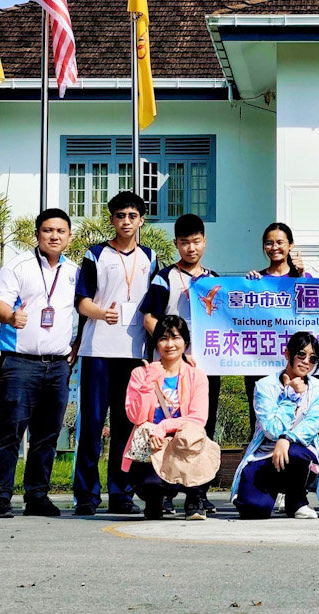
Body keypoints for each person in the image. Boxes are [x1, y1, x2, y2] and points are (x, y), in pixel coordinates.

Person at [0, 208, 79, 518]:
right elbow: (0, 303)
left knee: (47, 434)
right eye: (47, 230)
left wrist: (76, 347)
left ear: (69, 236)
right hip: (20, 363)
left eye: (60, 231)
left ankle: (37, 496)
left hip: (58, 365)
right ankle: (0, 497)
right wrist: (11, 316)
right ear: (37, 234)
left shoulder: (74, 272)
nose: (54, 236)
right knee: (10, 430)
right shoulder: (18, 267)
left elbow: (80, 311)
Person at [73, 191, 158, 516]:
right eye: (120, 216)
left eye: (132, 216)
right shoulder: (96, 254)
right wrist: (100, 313)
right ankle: (86, 496)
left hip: (134, 353)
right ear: (112, 219)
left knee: (127, 427)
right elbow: (81, 301)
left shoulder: (150, 257)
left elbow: (157, 302)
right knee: (92, 426)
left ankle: (121, 493)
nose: (126, 222)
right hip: (98, 351)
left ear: (141, 220)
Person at [140, 213, 219, 515]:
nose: (191, 248)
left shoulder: (214, 279)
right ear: (176, 244)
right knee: (168, 426)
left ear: (205, 242)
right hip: (171, 370)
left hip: (205, 368)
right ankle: (166, 490)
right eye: (185, 242)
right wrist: (174, 350)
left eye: (196, 242)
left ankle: (197, 492)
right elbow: (149, 319)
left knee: (201, 428)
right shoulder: (165, 278)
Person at [123, 316, 218, 520]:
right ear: (156, 343)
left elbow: (198, 418)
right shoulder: (140, 374)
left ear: (186, 342)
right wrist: (149, 381)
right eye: (163, 338)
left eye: (175, 337)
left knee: (192, 433)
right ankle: (155, 499)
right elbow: (136, 417)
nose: (170, 344)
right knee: (149, 483)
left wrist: (164, 426)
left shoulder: (196, 375)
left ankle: (194, 496)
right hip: (153, 444)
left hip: (182, 443)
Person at [232, 332, 319, 519]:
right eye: (301, 354)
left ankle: (296, 499)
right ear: (287, 354)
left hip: (298, 453)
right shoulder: (264, 386)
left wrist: (287, 439)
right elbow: (272, 429)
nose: (306, 361)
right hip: (265, 454)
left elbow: (313, 424)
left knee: (296, 454)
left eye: (312, 358)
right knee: (254, 510)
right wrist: (290, 396)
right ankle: (264, 493)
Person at [243, 222, 311, 437]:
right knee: (262, 414)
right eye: (269, 243)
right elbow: (245, 318)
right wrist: (247, 285)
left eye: (280, 242)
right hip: (261, 359)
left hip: (295, 359)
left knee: (298, 409)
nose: (274, 247)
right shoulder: (256, 280)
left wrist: (302, 276)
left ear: (291, 245)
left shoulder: (304, 278)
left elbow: (312, 314)